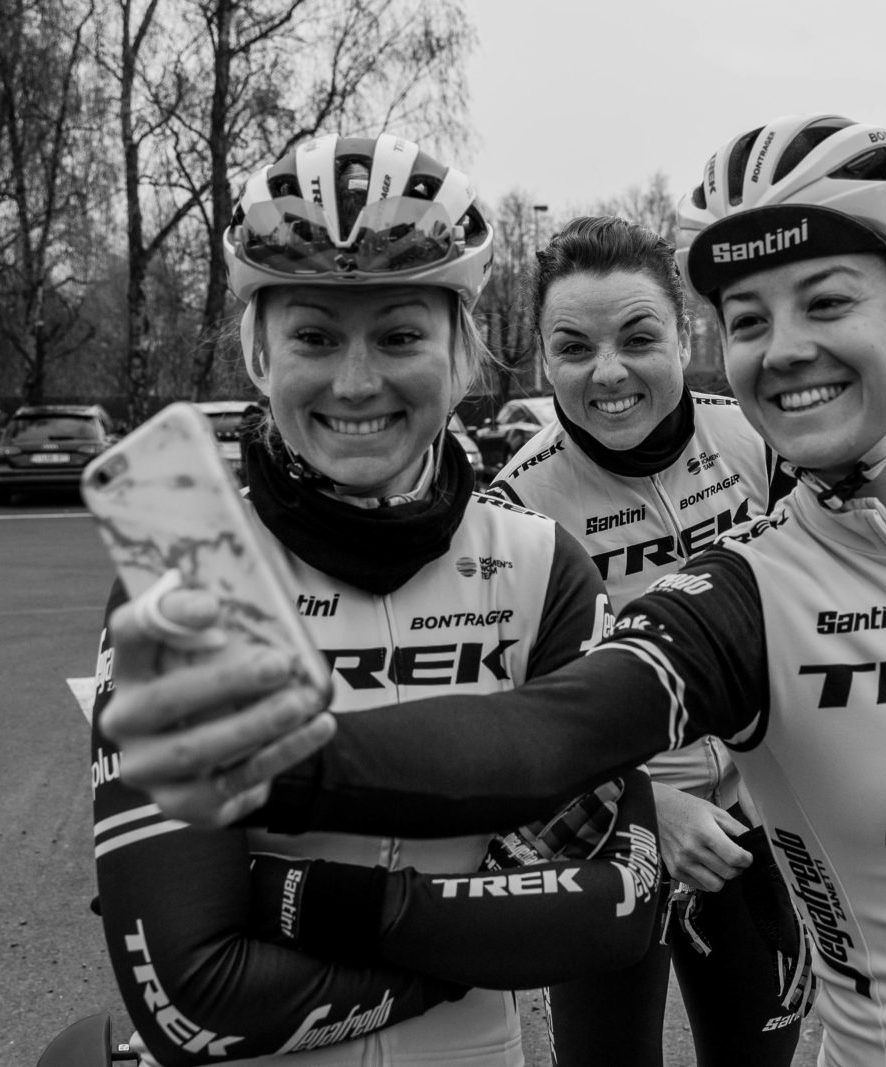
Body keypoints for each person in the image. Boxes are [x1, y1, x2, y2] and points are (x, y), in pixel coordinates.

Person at [101, 115, 886, 1066]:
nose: (785, 347)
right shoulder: (742, 590)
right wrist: (293, 769)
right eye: (750, 319)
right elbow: (549, 737)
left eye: (827, 301)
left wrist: (290, 865)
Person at [88, 133, 662, 1067]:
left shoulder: (541, 566)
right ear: (259, 353)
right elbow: (196, 998)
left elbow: (615, 911)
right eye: (314, 336)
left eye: (399, 336)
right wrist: (467, 944)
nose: (356, 383)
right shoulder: (185, 570)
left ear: (463, 353)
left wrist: (306, 898)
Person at [487, 214, 806, 1066]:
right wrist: (650, 807)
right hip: (604, 840)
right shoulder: (515, 507)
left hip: (753, 825)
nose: (609, 372)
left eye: (638, 338)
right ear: (543, 360)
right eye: (574, 347)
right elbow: (516, 724)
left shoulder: (756, 438)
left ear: (685, 336)